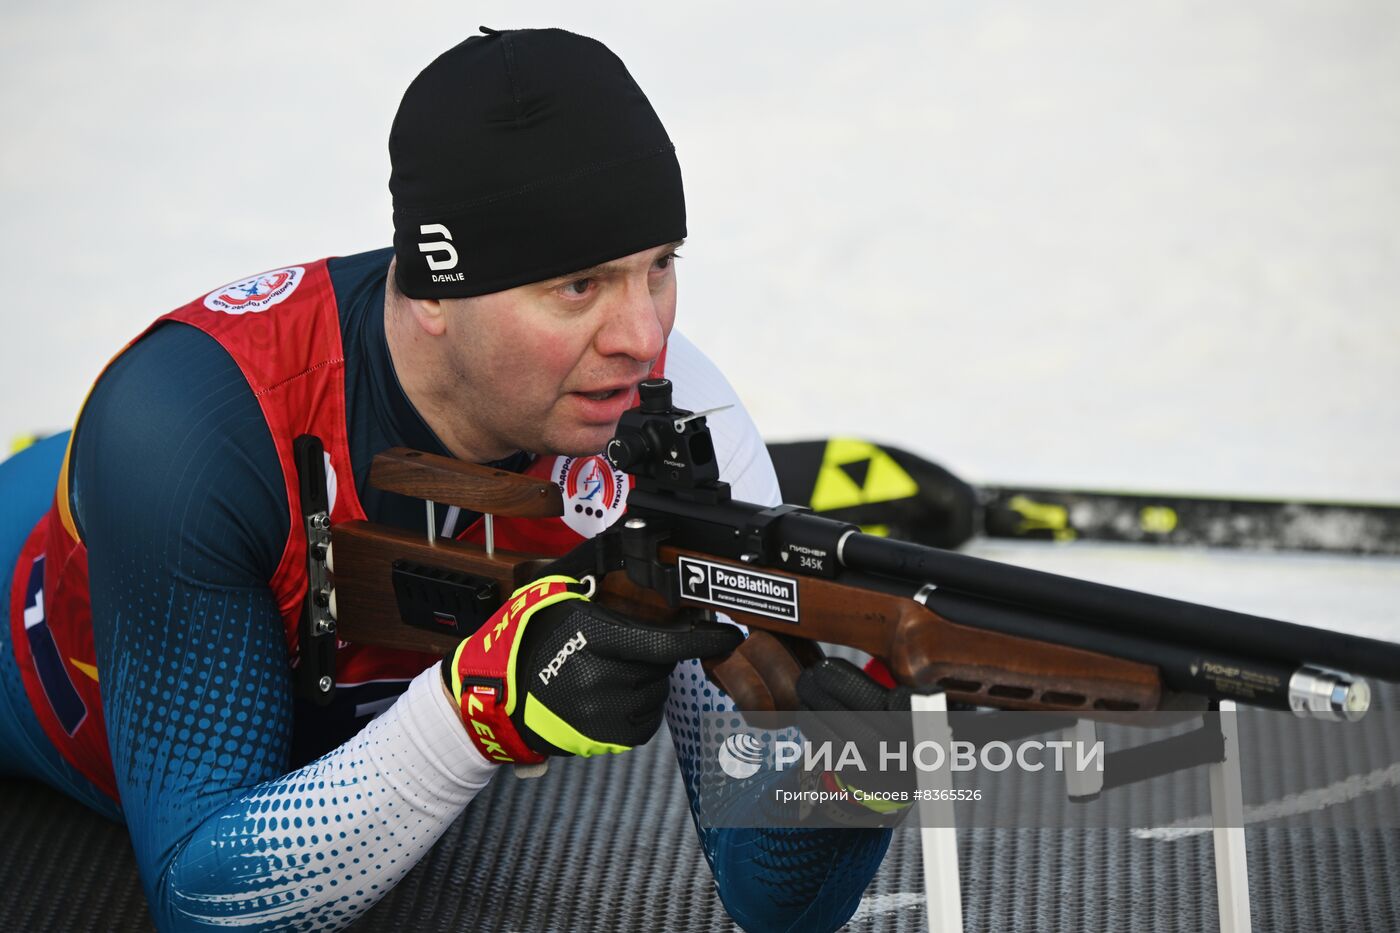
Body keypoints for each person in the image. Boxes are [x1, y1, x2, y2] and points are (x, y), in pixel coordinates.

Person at [0, 28, 891, 932]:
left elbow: (770, 898)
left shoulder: (679, 412)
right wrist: (479, 711)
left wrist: (851, 777)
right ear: (432, 291)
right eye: (580, 286)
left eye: (661, 266)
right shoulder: (186, 430)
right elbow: (202, 900)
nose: (644, 338)